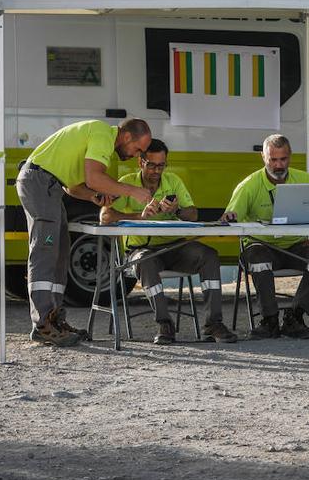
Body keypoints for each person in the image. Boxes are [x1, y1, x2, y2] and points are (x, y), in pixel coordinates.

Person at [17, 118, 153, 346]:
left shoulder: (98, 139)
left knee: (60, 253)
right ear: (127, 137)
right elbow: (94, 177)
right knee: (46, 251)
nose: (136, 155)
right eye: (137, 149)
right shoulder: (102, 134)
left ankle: (54, 319)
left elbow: (72, 185)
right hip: (40, 183)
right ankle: (42, 324)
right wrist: (132, 191)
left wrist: (93, 196)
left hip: (48, 185)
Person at [100, 139, 237, 345]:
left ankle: (213, 323)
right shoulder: (127, 182)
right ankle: (165, 323)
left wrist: (177, 210)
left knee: (209, 256)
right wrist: (140, 216)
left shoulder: (173, 180)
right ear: (141, 162)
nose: (157, 171)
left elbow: (193, 214)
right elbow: (105, 216)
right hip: (141, 249)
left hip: (175, 247)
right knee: (145, 262)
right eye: (152, 165)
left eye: (161, 165)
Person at [223, 134, 309, 339]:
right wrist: (230, 216)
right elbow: (230, 217)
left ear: (290, 156)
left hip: (295, 246)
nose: (279, 165)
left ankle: (295, 317)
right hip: (261, 247)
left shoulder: (305, 180)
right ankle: (269, 320)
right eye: (273, 159)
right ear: (263, 158)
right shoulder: (249, 185)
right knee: (257, 256)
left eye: (283, 159)